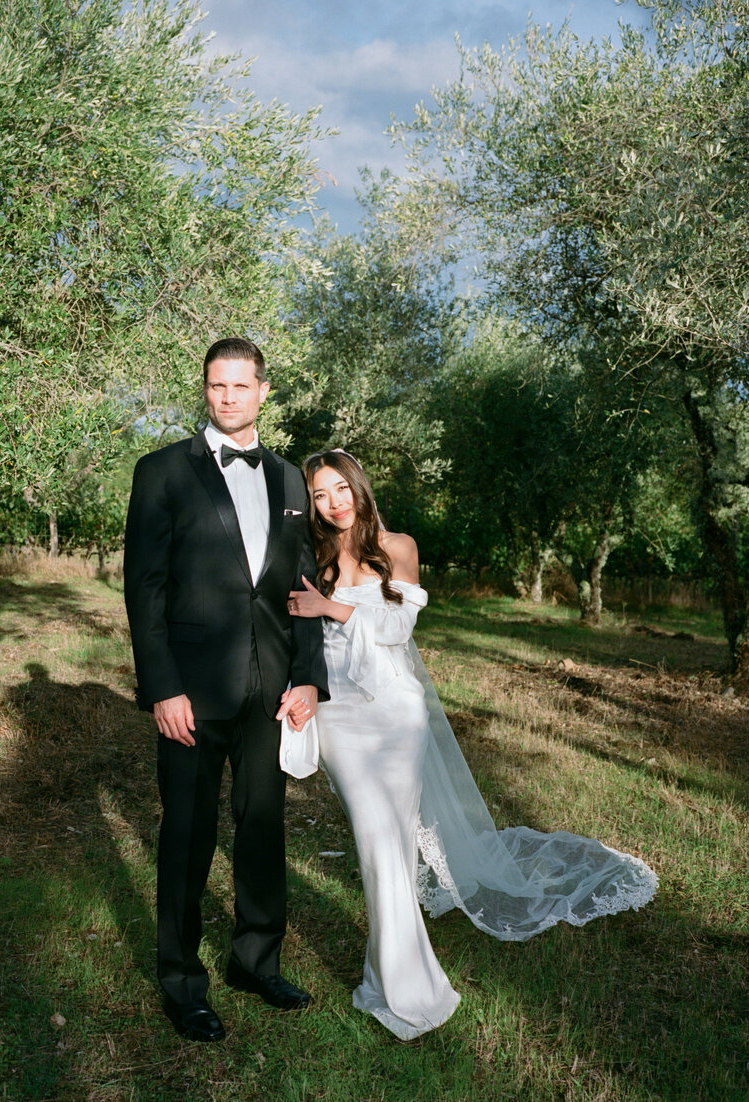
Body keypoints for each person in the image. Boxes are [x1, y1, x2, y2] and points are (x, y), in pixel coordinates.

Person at [288, 449, 657, 1042]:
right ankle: (399, 981)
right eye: (319, 495)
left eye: (340, 488)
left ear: (359, 486)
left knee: (392, 842)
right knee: (377, 840)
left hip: (394, 712)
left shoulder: (397, 546)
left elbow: (396, 628)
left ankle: (395, 982)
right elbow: (295, 632)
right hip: (339, 715)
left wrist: (329, 607)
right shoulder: (312, 554)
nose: (333, 503)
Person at [123, 338, 329, 1043]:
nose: (229, 397)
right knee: (187, 834)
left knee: (263, 829)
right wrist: (162, 688)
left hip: (271, 690)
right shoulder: (161, 472)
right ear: (206, 389)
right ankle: (183, 984)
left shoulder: (291, 481)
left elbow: (303, 589)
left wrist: (308, 678)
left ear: (264, 391)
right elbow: (144, 589)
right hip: (190, 692)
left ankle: (255, 962)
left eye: (242, 386)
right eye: (218, 385)